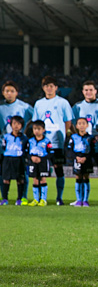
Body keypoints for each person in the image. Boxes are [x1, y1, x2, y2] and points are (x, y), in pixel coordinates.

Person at [32, 76, 73, 206]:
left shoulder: (63, 102)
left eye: (51, 86)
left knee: (58, 169)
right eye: (46, 86)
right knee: (38, 171)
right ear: (43, 88)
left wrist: (63, 135)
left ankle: (59, 198)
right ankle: (38, 198)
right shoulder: (38, 103)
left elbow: (68, 121)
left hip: (57, 143)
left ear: (56, 88)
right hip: (41, 144)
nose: (49, 88)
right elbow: (36, 122)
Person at [71, 80, 98, 206]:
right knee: (82, 173)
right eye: (86, 90)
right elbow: (72, 124)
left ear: (95, 91)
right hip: (83, 147)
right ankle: (81, 199)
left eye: (91, 90)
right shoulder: (77, 107)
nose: (88, 92)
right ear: (83, 92)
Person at [1, 81, 34, 205]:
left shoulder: (24, 106)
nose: (9, 93)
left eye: (12, 91)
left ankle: (23, 197)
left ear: (17, 93)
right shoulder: (0, 107)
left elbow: (35, 118)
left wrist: (27, 131)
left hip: (19, 146)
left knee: (22, 175)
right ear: (3, 93)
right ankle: (4, 197)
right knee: (4, 175)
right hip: (4, 146)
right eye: (7, 91)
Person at [67, 118, 95, 207]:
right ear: (76, 126)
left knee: (86, 177)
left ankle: (85, 200)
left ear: (87, 125)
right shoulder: (73, 137)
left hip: (87, 159)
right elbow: (70, 150)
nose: (82, 125)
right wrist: (76, 157)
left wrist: (86, 158)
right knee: (78, 177)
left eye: (84, 123)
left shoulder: (90, 138)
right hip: (77, 159)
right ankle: (79, 200)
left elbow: (93, 150)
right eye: (79, 123)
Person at [1, 116, 27, 205]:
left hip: (19, 159)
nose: (16, 126)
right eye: (14, 123)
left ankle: (19, 199)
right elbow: (3, 147)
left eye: (18, 124)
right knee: (6, 179)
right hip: (7, 159)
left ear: (22, 126)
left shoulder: (24, 138)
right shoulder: (6, 136)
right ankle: (5, 199)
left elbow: (25, 149)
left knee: (20, 179)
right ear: (11, 125)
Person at [27, 120, 53, 207]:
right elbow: (26, 152)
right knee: (35, 179)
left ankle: (43, 199)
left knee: (42, 179)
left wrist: (41, 159)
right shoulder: (30, 141)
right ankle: (35, 199)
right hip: (32, 162)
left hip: (43, 162)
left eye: (39, 129)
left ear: (43, 130)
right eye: (35, 129)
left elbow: (50, 153)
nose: (36, 131)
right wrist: (31, 158)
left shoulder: (47, 141)